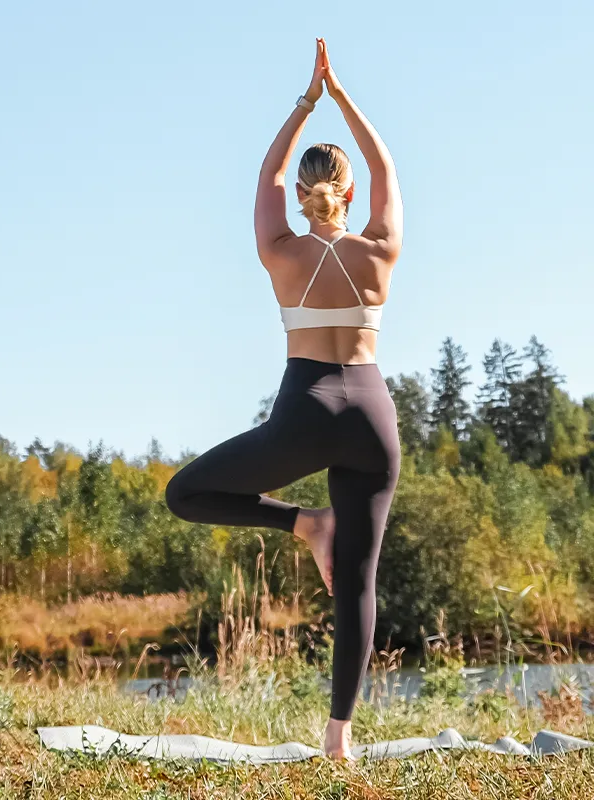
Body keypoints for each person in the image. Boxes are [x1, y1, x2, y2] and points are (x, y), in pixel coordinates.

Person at [165, 38, 403, 760]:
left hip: (304, 412)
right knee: (356, 583)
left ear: (300, 196)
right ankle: (339, 739)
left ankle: (304, 525)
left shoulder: (279, 247)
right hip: (371, 416)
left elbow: (267, 168)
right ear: (349, 193)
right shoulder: (381, 249)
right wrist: (344, 97)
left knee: (186, 492)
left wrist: (306, 100)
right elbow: (387, 165)